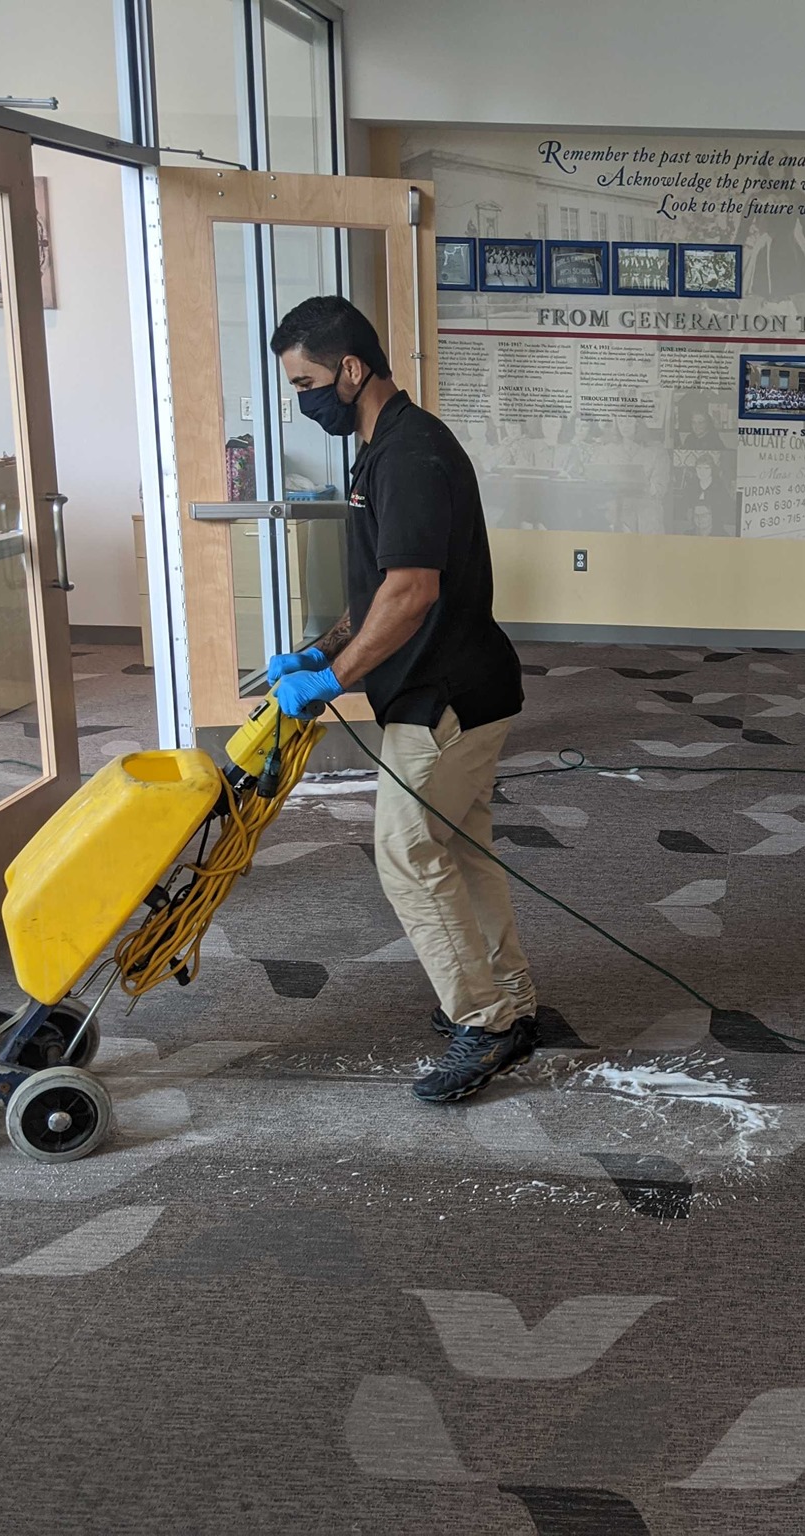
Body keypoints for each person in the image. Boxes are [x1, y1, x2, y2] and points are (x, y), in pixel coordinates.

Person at [264, 296, 538, 1104]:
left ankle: (484, 1021)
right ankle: (510, 1001)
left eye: (306, 383)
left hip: (444, 696)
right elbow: (380, 591)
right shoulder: (382, 448)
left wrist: (334, 680)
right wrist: (320, 651)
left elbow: (413, 592)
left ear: (351, 370)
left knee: (408, 854)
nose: (302, 400)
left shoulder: (410, 455)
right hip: (452, 685)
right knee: (460, 851)